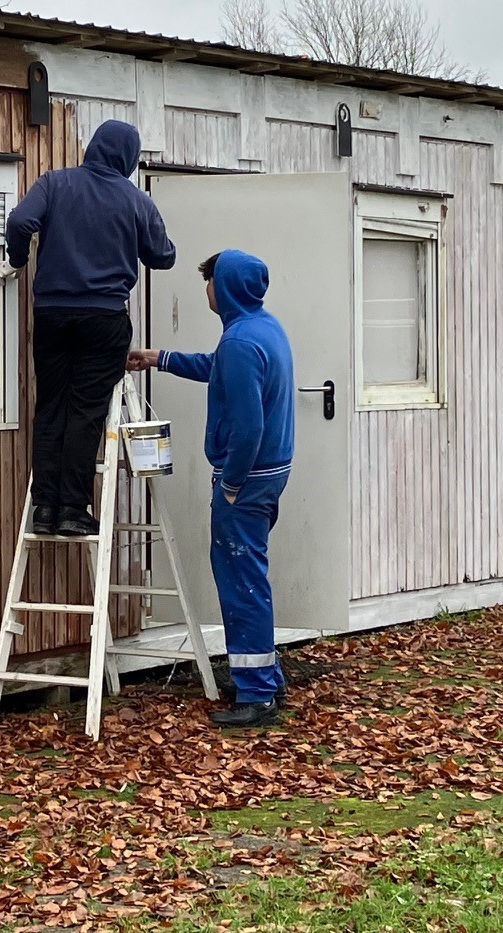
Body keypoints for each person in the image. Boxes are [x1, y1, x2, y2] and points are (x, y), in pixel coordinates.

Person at [128, 250, 295, 728]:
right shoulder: (262, 328)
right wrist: (159, 359)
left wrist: (232, 485)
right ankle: (266, 676)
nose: (205, 290)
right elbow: (215, 367)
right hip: (270, 474)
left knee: (242, 583)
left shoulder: (242, 341)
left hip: (247, 480)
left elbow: (247, 427)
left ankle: (257, 695)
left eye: (209, 282)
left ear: (223, 288)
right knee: (250, 578)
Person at [4, 119, 175, 536]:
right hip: (103, 319)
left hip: (51, 314)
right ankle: (71, 511)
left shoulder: (54, 183)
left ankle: (44, 508)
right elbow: (163, 256)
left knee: (51, 407)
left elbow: (19, 222)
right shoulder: (135, 200)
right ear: (129, 158)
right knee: (84, 413)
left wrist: (18, 260)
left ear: (93, 147)